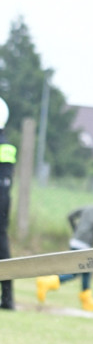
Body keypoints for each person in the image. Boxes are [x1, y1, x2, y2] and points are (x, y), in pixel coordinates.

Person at [36, 187, 93, 311]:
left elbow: (70, 216)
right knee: (75, 272)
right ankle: (47, 282)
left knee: (87, 270)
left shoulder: (88, 208)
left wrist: (76, 230)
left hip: (75, 241)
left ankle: (87, 300)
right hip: (85, 245)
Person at [0, 98, 16, 311]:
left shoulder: (4, 148)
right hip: (3, 201)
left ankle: (8, 298)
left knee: (2, 249)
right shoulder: (6, 146)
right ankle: (8, 298)